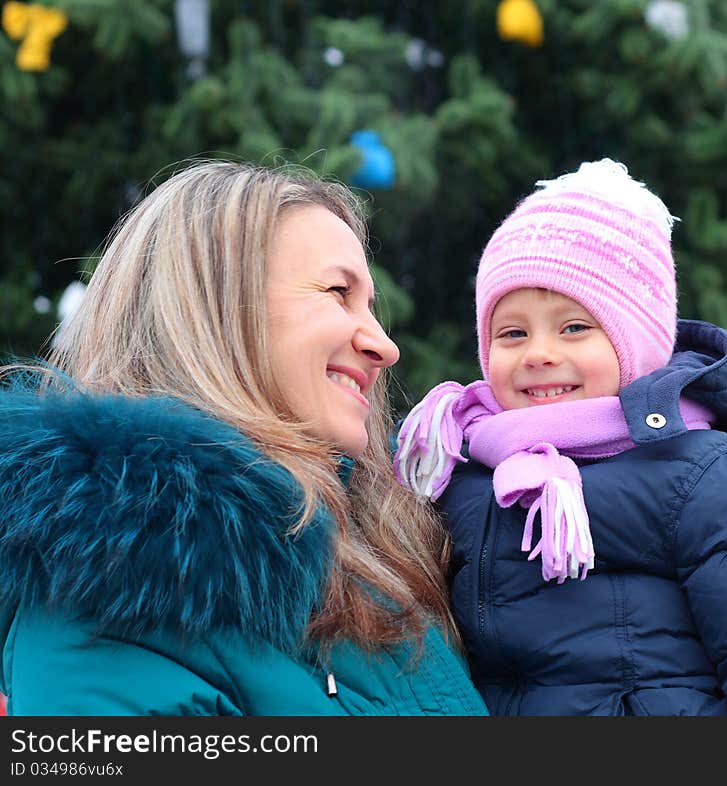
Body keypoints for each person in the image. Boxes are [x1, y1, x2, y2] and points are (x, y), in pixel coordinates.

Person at [0, 159, 488, 716]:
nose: (385, 345)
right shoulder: (100, 610)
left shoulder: (383, 558)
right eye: (338, 292)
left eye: (370, 307)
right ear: (218, 308)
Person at [394, 159, 727, 715]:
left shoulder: (715, 477)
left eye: (575, 327)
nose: (539, 352)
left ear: (637, 341)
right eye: (512, 332)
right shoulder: (455, 472)